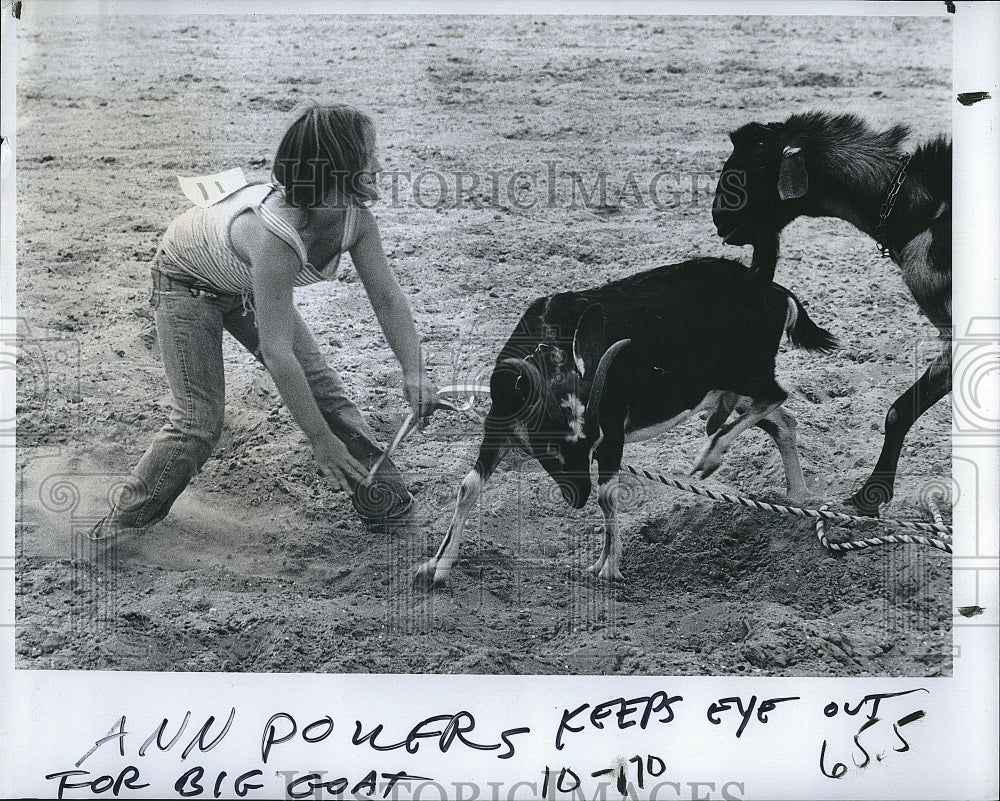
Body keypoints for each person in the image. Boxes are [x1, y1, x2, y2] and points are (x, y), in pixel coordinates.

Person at [89, 103, 436, 550]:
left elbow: (387, 297)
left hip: (244, 283)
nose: (379, 163)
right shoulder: (276, 235)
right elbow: (277, 353)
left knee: (325, 391)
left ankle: (389, 508)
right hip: (186, 282)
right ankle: (120, 529)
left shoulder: (354, 218)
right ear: (338, 168)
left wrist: (414, 370)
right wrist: (319, 441)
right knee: (198, 421)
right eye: (369, 154)